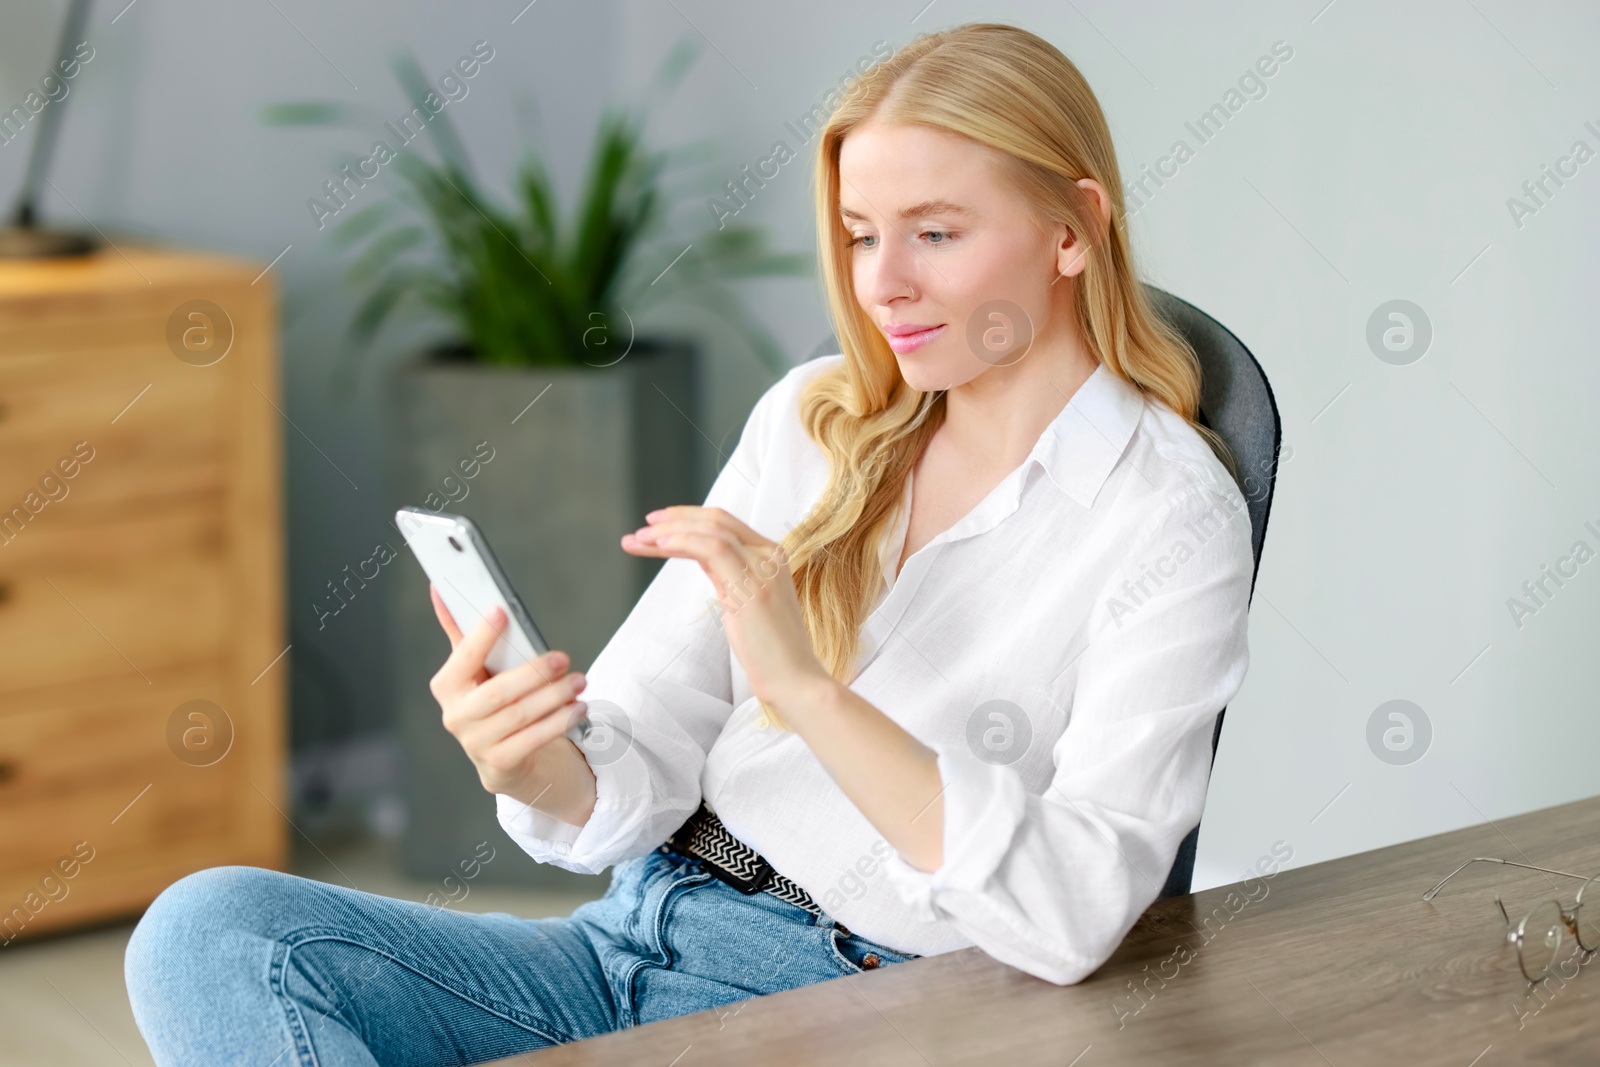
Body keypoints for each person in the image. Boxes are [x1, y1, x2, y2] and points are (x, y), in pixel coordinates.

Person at [124, 21, 1254, 1065]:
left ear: (1076, 228)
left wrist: (807, 691)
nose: (883, 286)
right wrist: (535, 761)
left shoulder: (1165, 513)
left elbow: (1073, 911)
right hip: (634, 935)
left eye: (936, 234)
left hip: (867, 997)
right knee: (210, 930)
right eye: (861, 236)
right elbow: (643, 745)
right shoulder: (817, 419)